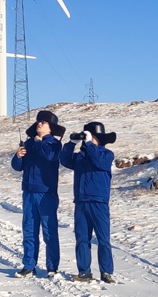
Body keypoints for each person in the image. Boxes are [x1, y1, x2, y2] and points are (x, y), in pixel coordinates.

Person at [60, 121, 117, 284]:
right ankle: (84, 272)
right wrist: (71, 144)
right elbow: (64, 160)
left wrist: (89, 144)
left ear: (97, 138)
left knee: (103, 239)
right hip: (81, 201)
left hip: (99, 202)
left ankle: (106, 272)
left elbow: (99, 162)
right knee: (82, 238)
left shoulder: (107, 154)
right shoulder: (80, 157)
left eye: (90, 137)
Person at [11, 110, 65, 278]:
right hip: (28, 193)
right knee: (29, 231)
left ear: (51, 128)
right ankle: (29, 266)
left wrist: (39, 142)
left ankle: (52, 267)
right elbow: (17, 167)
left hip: (46, 194)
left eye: (44, 122)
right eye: (39, 121)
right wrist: (17, 157)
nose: (39, 124)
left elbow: (49, 155)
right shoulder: (28, 143)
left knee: (49, 232)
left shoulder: (55, 144)